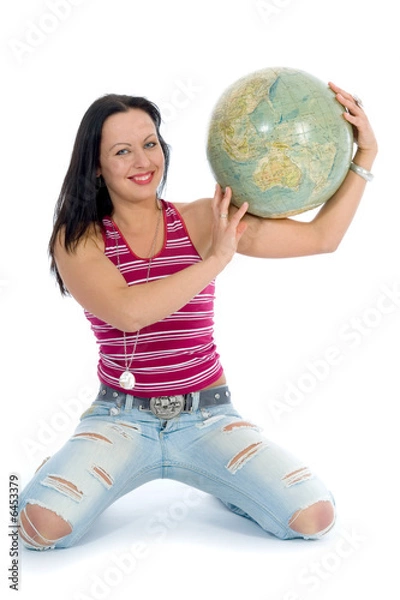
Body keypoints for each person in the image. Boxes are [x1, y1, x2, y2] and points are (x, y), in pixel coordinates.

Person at [18, 82, 377, 550]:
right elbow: (129, 313)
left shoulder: (205, 220)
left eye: (150, 144)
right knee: (39, 531)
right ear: (98, 167)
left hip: (206, 415)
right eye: (122, 151)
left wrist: (365, 155)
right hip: (121, 418)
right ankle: (70, 461)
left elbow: (322, 238)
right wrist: (213, 261)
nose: (143, 162)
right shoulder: (79, 239)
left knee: (313, 518)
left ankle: (226, 482)